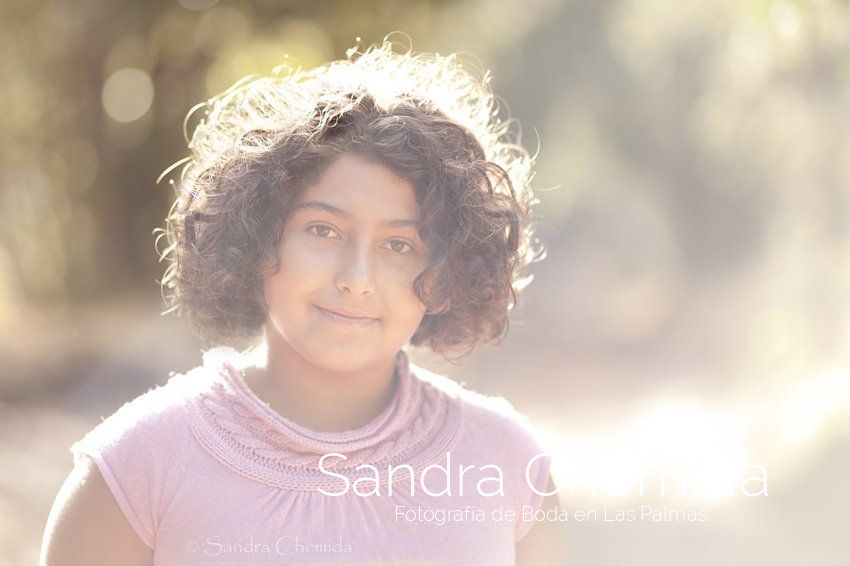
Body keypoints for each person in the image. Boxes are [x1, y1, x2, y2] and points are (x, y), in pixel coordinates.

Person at [40, 37, 568, 565]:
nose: (357, 279)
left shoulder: (507, 464)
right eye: (323, 230)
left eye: (399, 245)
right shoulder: (136, 470)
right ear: (256, 236)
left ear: (448, 271)